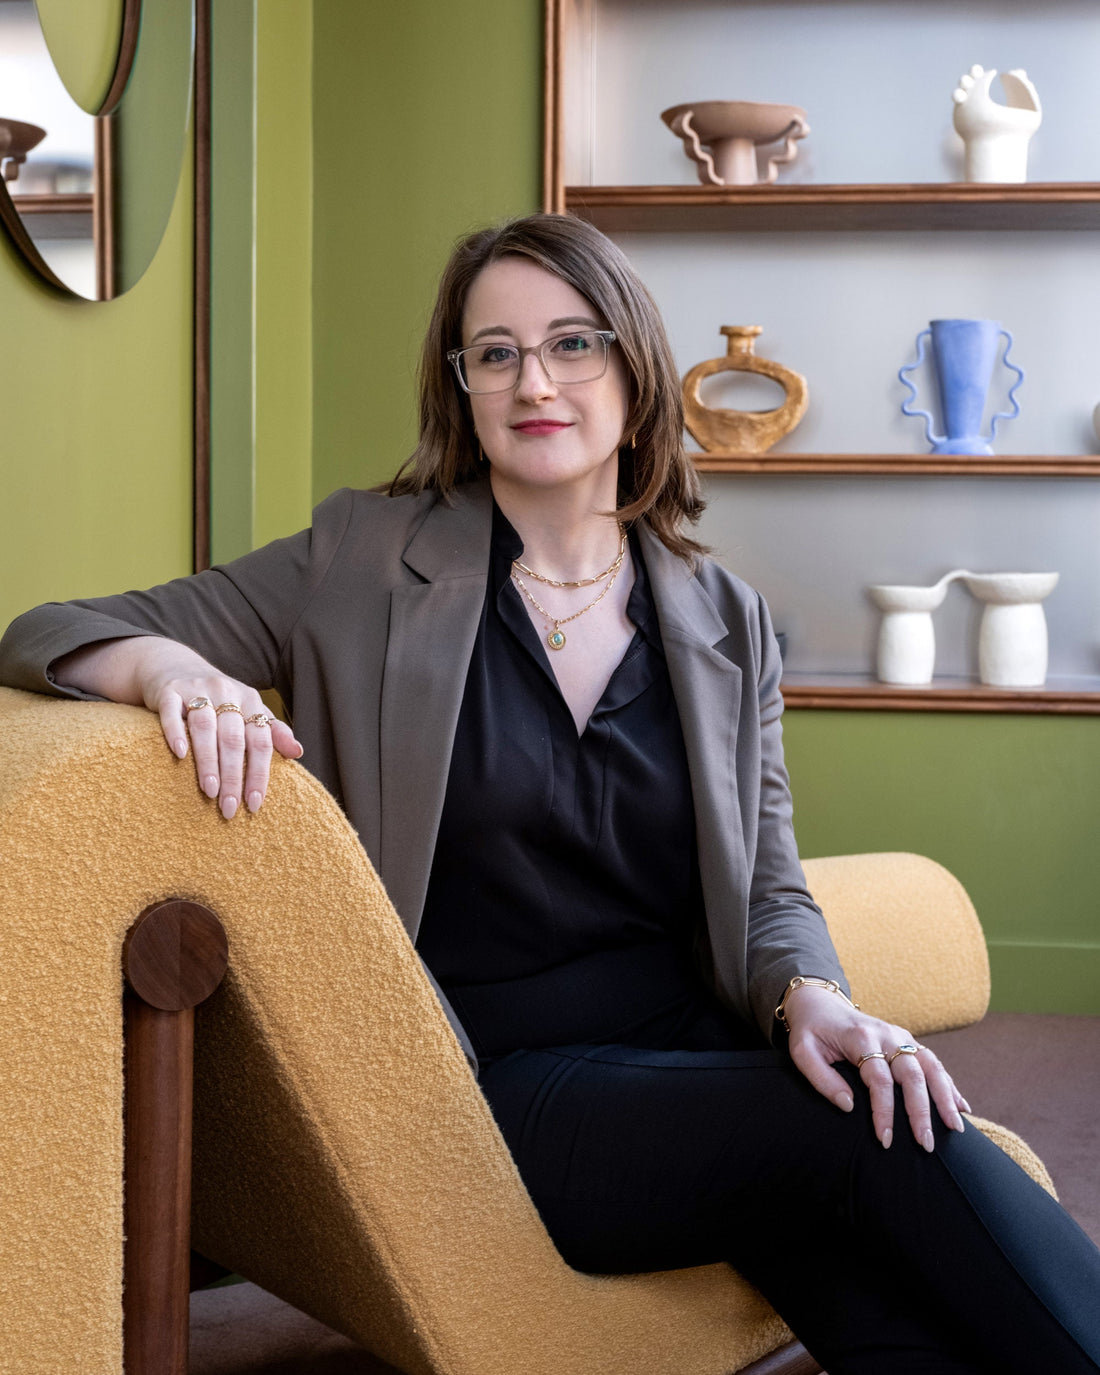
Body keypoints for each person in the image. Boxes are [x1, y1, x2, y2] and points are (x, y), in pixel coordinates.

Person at [2, 213, 1098, 1375]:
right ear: (462, 387)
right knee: (876, 1133)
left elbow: (770, 880)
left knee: (882, 1222)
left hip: (691, 1049)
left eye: (572, 343)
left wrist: (812, 997)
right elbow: (50, 629)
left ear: (633, 367)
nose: (534, 381)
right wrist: (172, 670)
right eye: (496, 353)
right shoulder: (360, 560)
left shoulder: (724, 617)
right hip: (496, 1080)